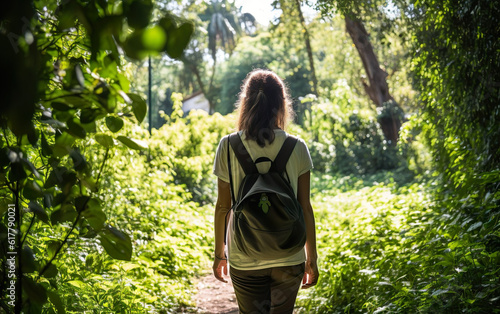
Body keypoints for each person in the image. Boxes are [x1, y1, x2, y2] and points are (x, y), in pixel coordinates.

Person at [212, 69, 319, 313]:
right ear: (282, 104)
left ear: (246, 102)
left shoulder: (228, 146)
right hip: (289, 255)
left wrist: (220, 254)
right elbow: (305, 207)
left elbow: (222, 207)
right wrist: (311, 258)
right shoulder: (297, 147)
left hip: (244, 255)